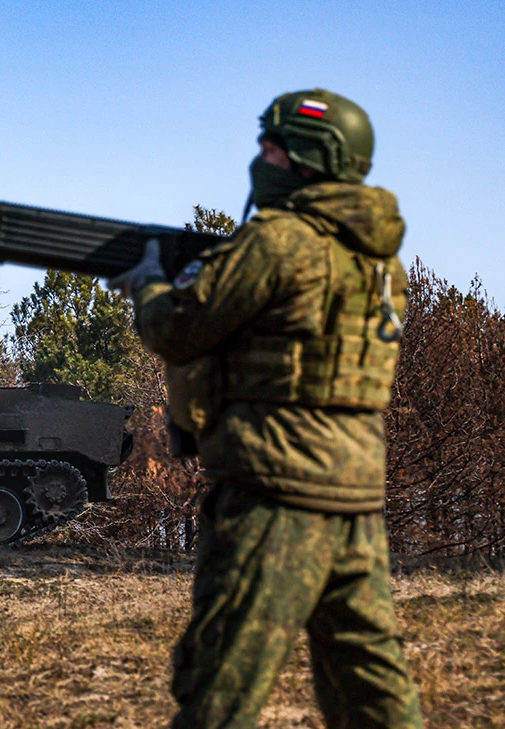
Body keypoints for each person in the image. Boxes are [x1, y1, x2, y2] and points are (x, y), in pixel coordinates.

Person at [110, 89, 424, 729]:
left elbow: (179, 330)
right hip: (354, 497)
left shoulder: (278, 241)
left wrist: (148, 285)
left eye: (273, 147)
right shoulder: (381, 260)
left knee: (220, 689)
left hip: (274, 494)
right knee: (371, 690)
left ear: (312, 159)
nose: (261, 158)